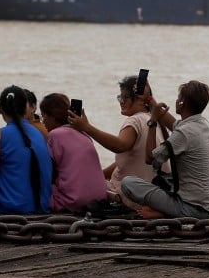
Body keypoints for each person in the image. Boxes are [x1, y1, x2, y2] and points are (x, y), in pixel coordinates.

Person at [121, 80, 209, 219]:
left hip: (191, 208)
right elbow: (173, 124)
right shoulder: (202, 124)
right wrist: (149, 98)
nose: (176, 100)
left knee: (128, 183)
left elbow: (150, 158)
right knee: (164, 180)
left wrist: (153, 122)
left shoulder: (183, 133)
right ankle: (165, 210)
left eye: (179, 97)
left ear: (181, 103)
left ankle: (164, 212)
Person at [67, 75, 157, 208]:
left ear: (140, 99)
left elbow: (120, 146)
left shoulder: (134, 121)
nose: (121, 101)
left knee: (75, 185)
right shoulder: (154, 121)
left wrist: (87, 127)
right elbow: (131, 157)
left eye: (125, 97)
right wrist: (101, 174)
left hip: (127, 196)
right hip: (149, 193)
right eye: (120, 97)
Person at [0, 86, 53, 214]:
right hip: (41, 204)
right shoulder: (38, 132)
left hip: (10, 205)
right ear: (25, 109)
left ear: (0, 109)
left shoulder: (0, 134)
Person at [39, 93, 107, 212]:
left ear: (53, 117)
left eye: (43, 116)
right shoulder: (85, 135)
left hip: (74, 201)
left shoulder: (55, 135)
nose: (42, 121)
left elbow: (48, 173)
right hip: (98, 199)